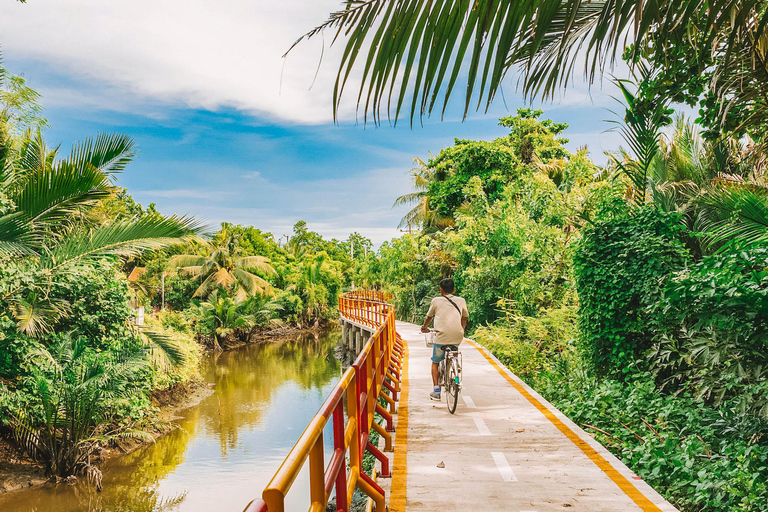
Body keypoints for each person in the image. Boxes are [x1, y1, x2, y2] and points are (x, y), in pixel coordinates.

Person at [420, 278, 468, 400]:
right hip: (457, 335)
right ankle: (455, 364)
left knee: (435, 362)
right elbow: (464, 318)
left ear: (441, 290)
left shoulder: (436, 300)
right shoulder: (461, 300)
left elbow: (429, 317)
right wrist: (461, 330)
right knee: (454, 348)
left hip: (441, 337)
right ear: (454, 289)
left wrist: (424, 327)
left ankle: (436, 391)